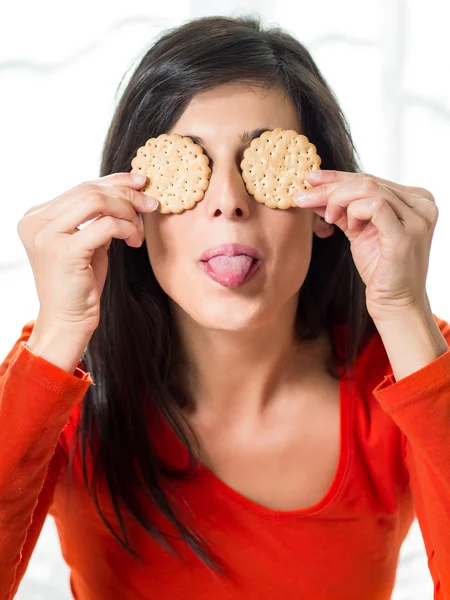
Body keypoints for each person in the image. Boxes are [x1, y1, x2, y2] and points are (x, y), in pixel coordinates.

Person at [1, 14, 450, 600]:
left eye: (256, 166)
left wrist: (403, 311)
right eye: (194, 163)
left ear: (324, 206)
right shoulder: (62, 383)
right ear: (132, 207)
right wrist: (61, 330)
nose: (230, 203)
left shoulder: (404, 367)